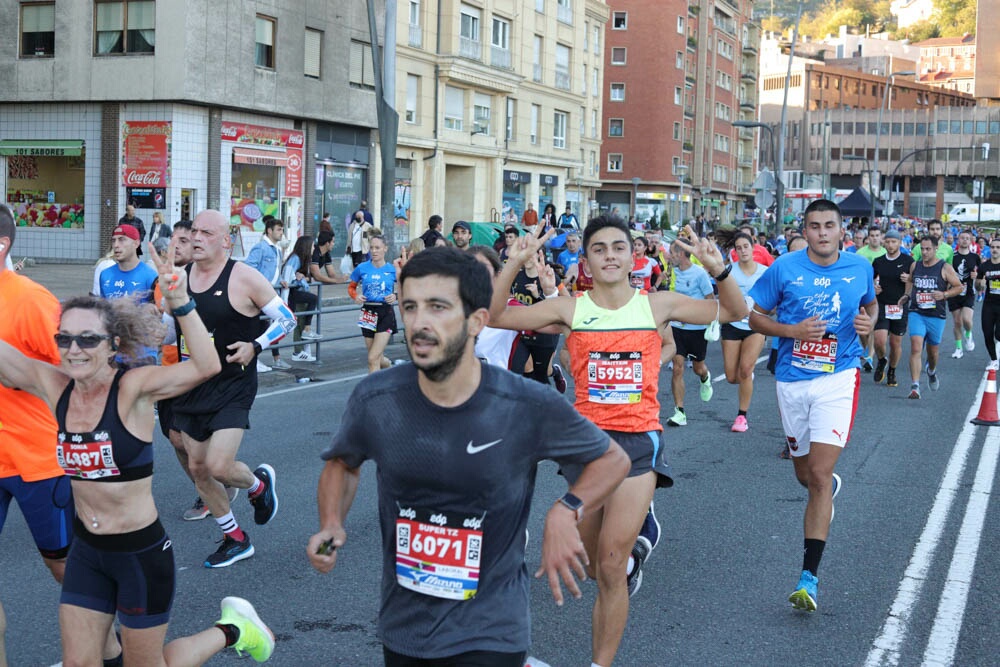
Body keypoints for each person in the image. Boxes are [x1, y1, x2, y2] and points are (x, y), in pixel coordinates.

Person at [308, 246, 631, 666]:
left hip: (492, 628)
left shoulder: (523, 404)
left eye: (438, 307)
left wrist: (566, 510)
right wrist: (330, 523)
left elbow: (613, 460)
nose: (419, 323)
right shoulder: (376, 398)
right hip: (406, 627)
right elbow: (343, 463)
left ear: (477, 321)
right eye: (410, 307)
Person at [0, 240, 274, 664]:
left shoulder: (134, 390)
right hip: (87, 554)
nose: (75, 349)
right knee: (78, 662)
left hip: (139, 556)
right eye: (66, 338)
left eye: (88, 339)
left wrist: (181, 302)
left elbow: (206, 366)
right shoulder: (53, 386)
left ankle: (234, 629)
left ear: (112, 343)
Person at [488, 217, 746, 667]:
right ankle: (637, 553)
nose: (610, 254)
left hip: (638, 443)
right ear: (585, 259)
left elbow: (734, 312)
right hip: (585, 447)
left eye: (618, 247)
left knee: (608, 567)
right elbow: (496, 317)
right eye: (599, 248)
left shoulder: (657, 305)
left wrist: (718, 271)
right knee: (592, 565)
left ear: (633, 256)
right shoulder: (570, 309)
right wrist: (513, 263)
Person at [0, 205, 124, 665]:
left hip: (35, 461)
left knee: (64, 568)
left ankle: (112, 649)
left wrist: (19, 376)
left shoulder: (30, 300)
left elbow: (78, 370)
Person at [748, 198, 877, 612]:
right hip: (791, 380)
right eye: (814, 226)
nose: (822, 233)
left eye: (829, 226)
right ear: (804, 231)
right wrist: (791, 330)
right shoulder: (784, 267)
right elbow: (754, 317)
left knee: (819, 475)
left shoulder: (859, 267)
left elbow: (870, 304)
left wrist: (869, 322)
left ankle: (809, 578)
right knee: (805, 474)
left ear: (842, 231)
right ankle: (825, 486)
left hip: (839, 377)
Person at [171, 210, 288, 568]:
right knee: (198, 467)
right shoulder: (178, 277)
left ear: (225, 240)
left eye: (206, 232)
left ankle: (256, 486)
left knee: (219, 465)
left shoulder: (245, 277)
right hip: (192, 381)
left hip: (233, 383)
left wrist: (256, 345)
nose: (196, 238)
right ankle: (235, 537)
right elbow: (166, 328)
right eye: (193, 232)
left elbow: (287, 319)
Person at [901, 235, 964, 399]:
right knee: (915, 347)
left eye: (928, 249)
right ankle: (915, 386)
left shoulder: (945, 267)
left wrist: (944, 294)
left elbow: (959, 287)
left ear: (936, 249)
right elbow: (910, 280)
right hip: (917, 312)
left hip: (936, 315)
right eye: (922, 249)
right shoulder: (916, 265)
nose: (924, 252)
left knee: (933, 353)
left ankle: (931, 370)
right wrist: (907, 295)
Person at [665, 239, 716, 427]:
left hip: (697, 329)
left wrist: (705, 319)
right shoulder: (672, 273)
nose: (669, 256)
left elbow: (710, 300)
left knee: (697, 367)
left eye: (672, 252)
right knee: (677, 367)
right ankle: (679, 411)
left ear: (681, 254)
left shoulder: (699, 274)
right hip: (676, 329)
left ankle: (705, 377)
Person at [722, 233, 767, 432]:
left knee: (746, 369)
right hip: (732, 325)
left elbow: (773, 301)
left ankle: (742, 416)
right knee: (732, 377)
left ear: (753, 247)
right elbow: (721, 296)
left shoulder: (765, 272)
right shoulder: (729, 271)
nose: (742, 251)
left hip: (755, 325)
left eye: (745, 246)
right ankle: (746, 377)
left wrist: (761, 309)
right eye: (738, 248)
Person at [244, 217, 290, 371]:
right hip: (261, 294)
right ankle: (253, 359)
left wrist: (282, 280)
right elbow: (250, 267)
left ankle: (260, 358)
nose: (281, 233)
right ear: (269, 231)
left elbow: (275, 270)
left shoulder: (276, 248)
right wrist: (261, 285)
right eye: (278, 229)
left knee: (266, 326)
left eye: (282, 229)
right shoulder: (261, 247)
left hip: (270, 293)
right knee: (259, 326)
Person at [349, 235, 398, 374]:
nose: (374, 251)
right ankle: (388, 365)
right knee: (376, 357)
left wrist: (396, 295)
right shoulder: (362, 268)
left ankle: (374, 393)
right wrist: (356, 296)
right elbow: (351, 287)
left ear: (385, 249)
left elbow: (407, 287)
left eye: (377, 248)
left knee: (372, 358)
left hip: (385, 312)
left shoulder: (392, 269)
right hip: (367, 312)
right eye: (371, 248)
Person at [871, 229, 911, 387]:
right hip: (881, 304)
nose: (890, 244)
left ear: (900, 243)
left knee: (895, 343)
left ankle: (892, 370)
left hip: (899, 305)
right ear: (883, 242)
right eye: (887, 241)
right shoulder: (878, 261)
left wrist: (910, 278)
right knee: (879, 341)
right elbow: (870, 280)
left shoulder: (908, 261)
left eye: (893, 241)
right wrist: (873, 287)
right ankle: (881, 360)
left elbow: (916, 280)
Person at [281, 236, 322, 363]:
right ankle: (306, 332)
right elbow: (287, 273)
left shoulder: (302, 259)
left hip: (296, 292)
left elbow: (306, 277)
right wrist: (296, 278)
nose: (314, 248)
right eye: (312, 246)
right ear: (306, 247)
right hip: (292, 293)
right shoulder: (296, 258)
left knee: (300, 320)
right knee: (313, 300)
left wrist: (303, 277)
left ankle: (302, 350)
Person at [98, 224, 159, 303]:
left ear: (136, 243)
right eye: (113, 241)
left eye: (121, 240)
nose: (116, 245)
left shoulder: (151, 276)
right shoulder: (105, 274)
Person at [948, 230, 980, 359]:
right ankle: (959, 348)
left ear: (971, 240)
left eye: (967, 238)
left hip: (969, 292)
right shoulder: (952, 256)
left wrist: (977, 276)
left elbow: (981, 275)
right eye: (962, 238)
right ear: (958, 239)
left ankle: (969, 334)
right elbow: (945, 271)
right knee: (957, 322)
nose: (965, 240)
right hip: (954, 292)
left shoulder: (975, 257)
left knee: (967, 319)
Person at [976, 239, 1000, 370]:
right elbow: (977, 286)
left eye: (998, 247)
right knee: (987, 333)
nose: (995, 249)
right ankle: (994, 359)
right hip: (989, 304)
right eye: (992, 247)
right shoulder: (984, 267)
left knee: (998, 335)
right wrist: (980, 284)